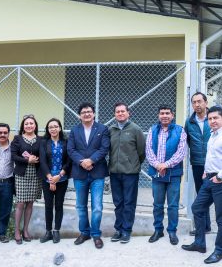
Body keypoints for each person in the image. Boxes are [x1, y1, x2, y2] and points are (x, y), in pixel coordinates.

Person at [182, 106, 222, 264]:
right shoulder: (213, 136)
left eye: (216, 118)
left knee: (220, 219)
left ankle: (219, 251)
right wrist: (206, 171)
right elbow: (212, 156)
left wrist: (219, 176)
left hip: (219, 180)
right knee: (197, 208)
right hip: (209, 179)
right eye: (210, 119)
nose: (212, 121)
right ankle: (199, 243)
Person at [67, 102, 110, 249]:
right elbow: (71, 149)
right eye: (84, 112)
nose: (86, 114)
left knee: (97, 206)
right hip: (80, 173)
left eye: (89, 111)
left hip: (97, 173)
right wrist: (82, 162)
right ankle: (84, 232)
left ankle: (96, 234)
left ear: (94, 113)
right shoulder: (74, 130)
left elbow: (104, 148)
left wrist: (91, 160)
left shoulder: (103, 129)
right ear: (80, 115)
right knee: (80, 206)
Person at [146, 105, 187, 245]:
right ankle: (158, 230)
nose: (164, 115)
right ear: (158, 116)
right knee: (157, 204)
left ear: (172, 115)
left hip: (173, 174)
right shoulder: (152, 130)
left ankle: (172, 231)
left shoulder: (180, 130)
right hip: (157, 173)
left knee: (173, 205)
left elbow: (181, 152)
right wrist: (158, 165)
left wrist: (166, 165)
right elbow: (149, 150)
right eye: (162, 113)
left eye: (167, 113)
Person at [109, 102, 146, 244]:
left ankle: (126, 230)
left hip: (130, 173)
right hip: (114, 172)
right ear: (114, 114)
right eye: (117, 112)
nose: (120, 113)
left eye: (123, 111)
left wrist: (132, 164)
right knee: (118, 202)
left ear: (128, 113)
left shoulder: (136, 129)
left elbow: (141, 152)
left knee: (129, 202)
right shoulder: (111, 130)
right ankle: (118, 229)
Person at [39, 118, 71, 244]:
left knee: (59, 205)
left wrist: (60, 174)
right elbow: (42, 160)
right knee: (48, 205)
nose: (53, 129)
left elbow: (69, 161)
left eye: (55, 126)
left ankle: (56, 230)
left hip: (62, 178)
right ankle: (48, 232)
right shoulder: (43, 142)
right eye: (50, 127)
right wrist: (50, 178)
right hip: (47, 179)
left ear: (60, 128)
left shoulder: (66, 142)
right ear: (48, 129)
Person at [11, 114, 41, 244]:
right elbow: (13, 155)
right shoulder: (17, 139)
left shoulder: (41, 139)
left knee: (30, 202)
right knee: (20, 202)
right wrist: (27, 160)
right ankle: (17, 230)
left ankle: (26, 230)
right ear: (23, 126)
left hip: (35, 174)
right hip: (22, 174)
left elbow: (44, 155)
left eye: (31, 123)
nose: (29, 125)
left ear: (35, 125)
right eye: (26, 123)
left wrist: (37, 160)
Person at [184, 92, 211, 236]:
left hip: (215, 165)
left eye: (199, 101)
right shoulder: (189, 122)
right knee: (202, 195)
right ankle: (205, 227)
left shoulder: (214, 118)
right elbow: (187, 141)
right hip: (198, 164)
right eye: (194, 102)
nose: (197, 105)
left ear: (206, 103)